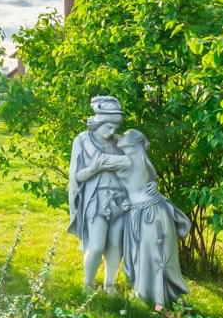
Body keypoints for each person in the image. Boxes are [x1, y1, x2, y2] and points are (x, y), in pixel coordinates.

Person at [116, 129, 190, 306]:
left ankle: (154, 298)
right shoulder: (140, 158)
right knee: (152, 254)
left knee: (153, 255)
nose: (120, 136)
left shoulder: (127, 160)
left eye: (125, 136)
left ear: (132, 144)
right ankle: (158, 297)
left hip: (149, 214)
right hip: (152, 210)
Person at [67, 96, 131, 293]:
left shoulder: (119, 142)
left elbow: (134, 163)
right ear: (98, 123)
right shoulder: (82, 140)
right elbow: (77, 176)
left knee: (115, 245)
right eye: (108, 127)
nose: (112, 131)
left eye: (115, 127)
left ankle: (109, 284)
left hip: (121, 199)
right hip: (96, 200)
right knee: (95, 246)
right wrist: (95, 168)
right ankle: (88, 284)